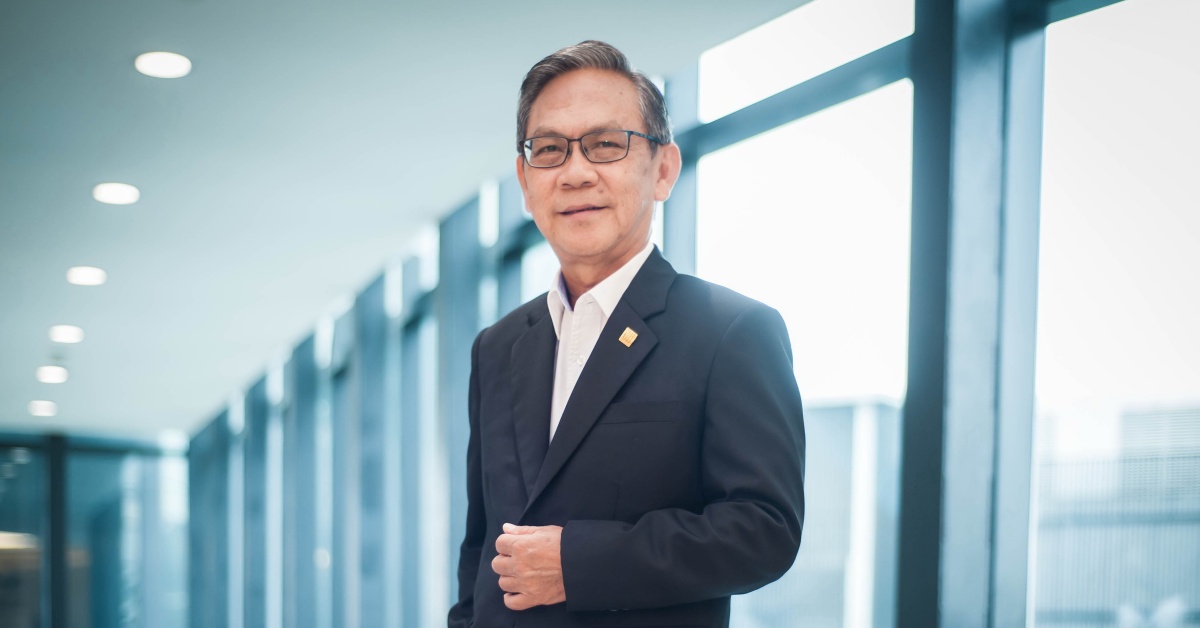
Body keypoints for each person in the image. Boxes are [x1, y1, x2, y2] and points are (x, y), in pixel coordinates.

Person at [448, 40, 805, 628]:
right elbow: (481, 546)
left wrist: (577, 563)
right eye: (550, 150)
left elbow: (764, 530)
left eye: (606, 144)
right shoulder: (498, 346)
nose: (575, 173)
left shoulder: (732, 331)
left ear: (663, 170)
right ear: (525, 181)